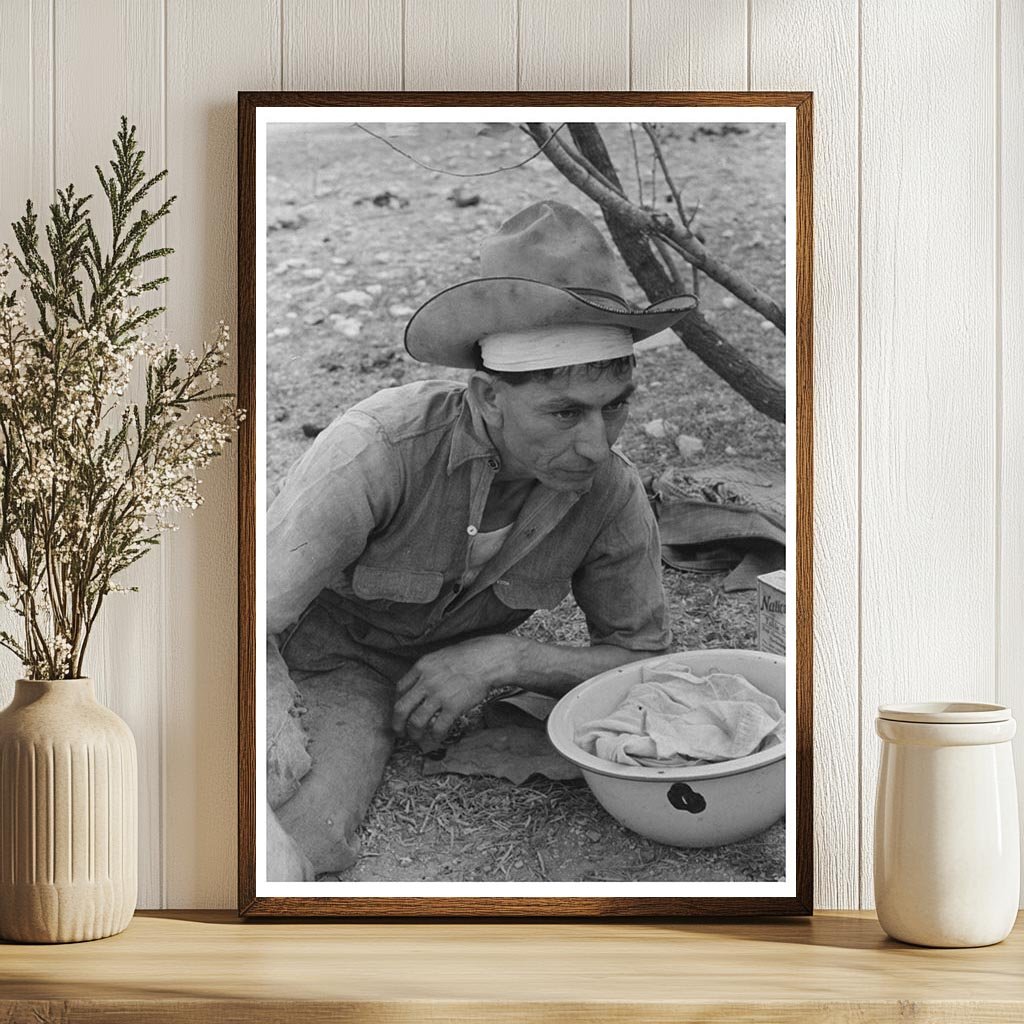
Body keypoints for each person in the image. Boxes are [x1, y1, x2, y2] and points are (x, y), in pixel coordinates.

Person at [266, 200, 697, 879]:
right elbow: (244, 623)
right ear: (487, 396)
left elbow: (643, 661)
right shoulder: (376, 452)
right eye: (564, 412)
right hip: (316, 664)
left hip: (417, 680)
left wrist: (507, 661)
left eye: (616, 406)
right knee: (291, 840)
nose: (595, 445)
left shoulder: (612, 492)